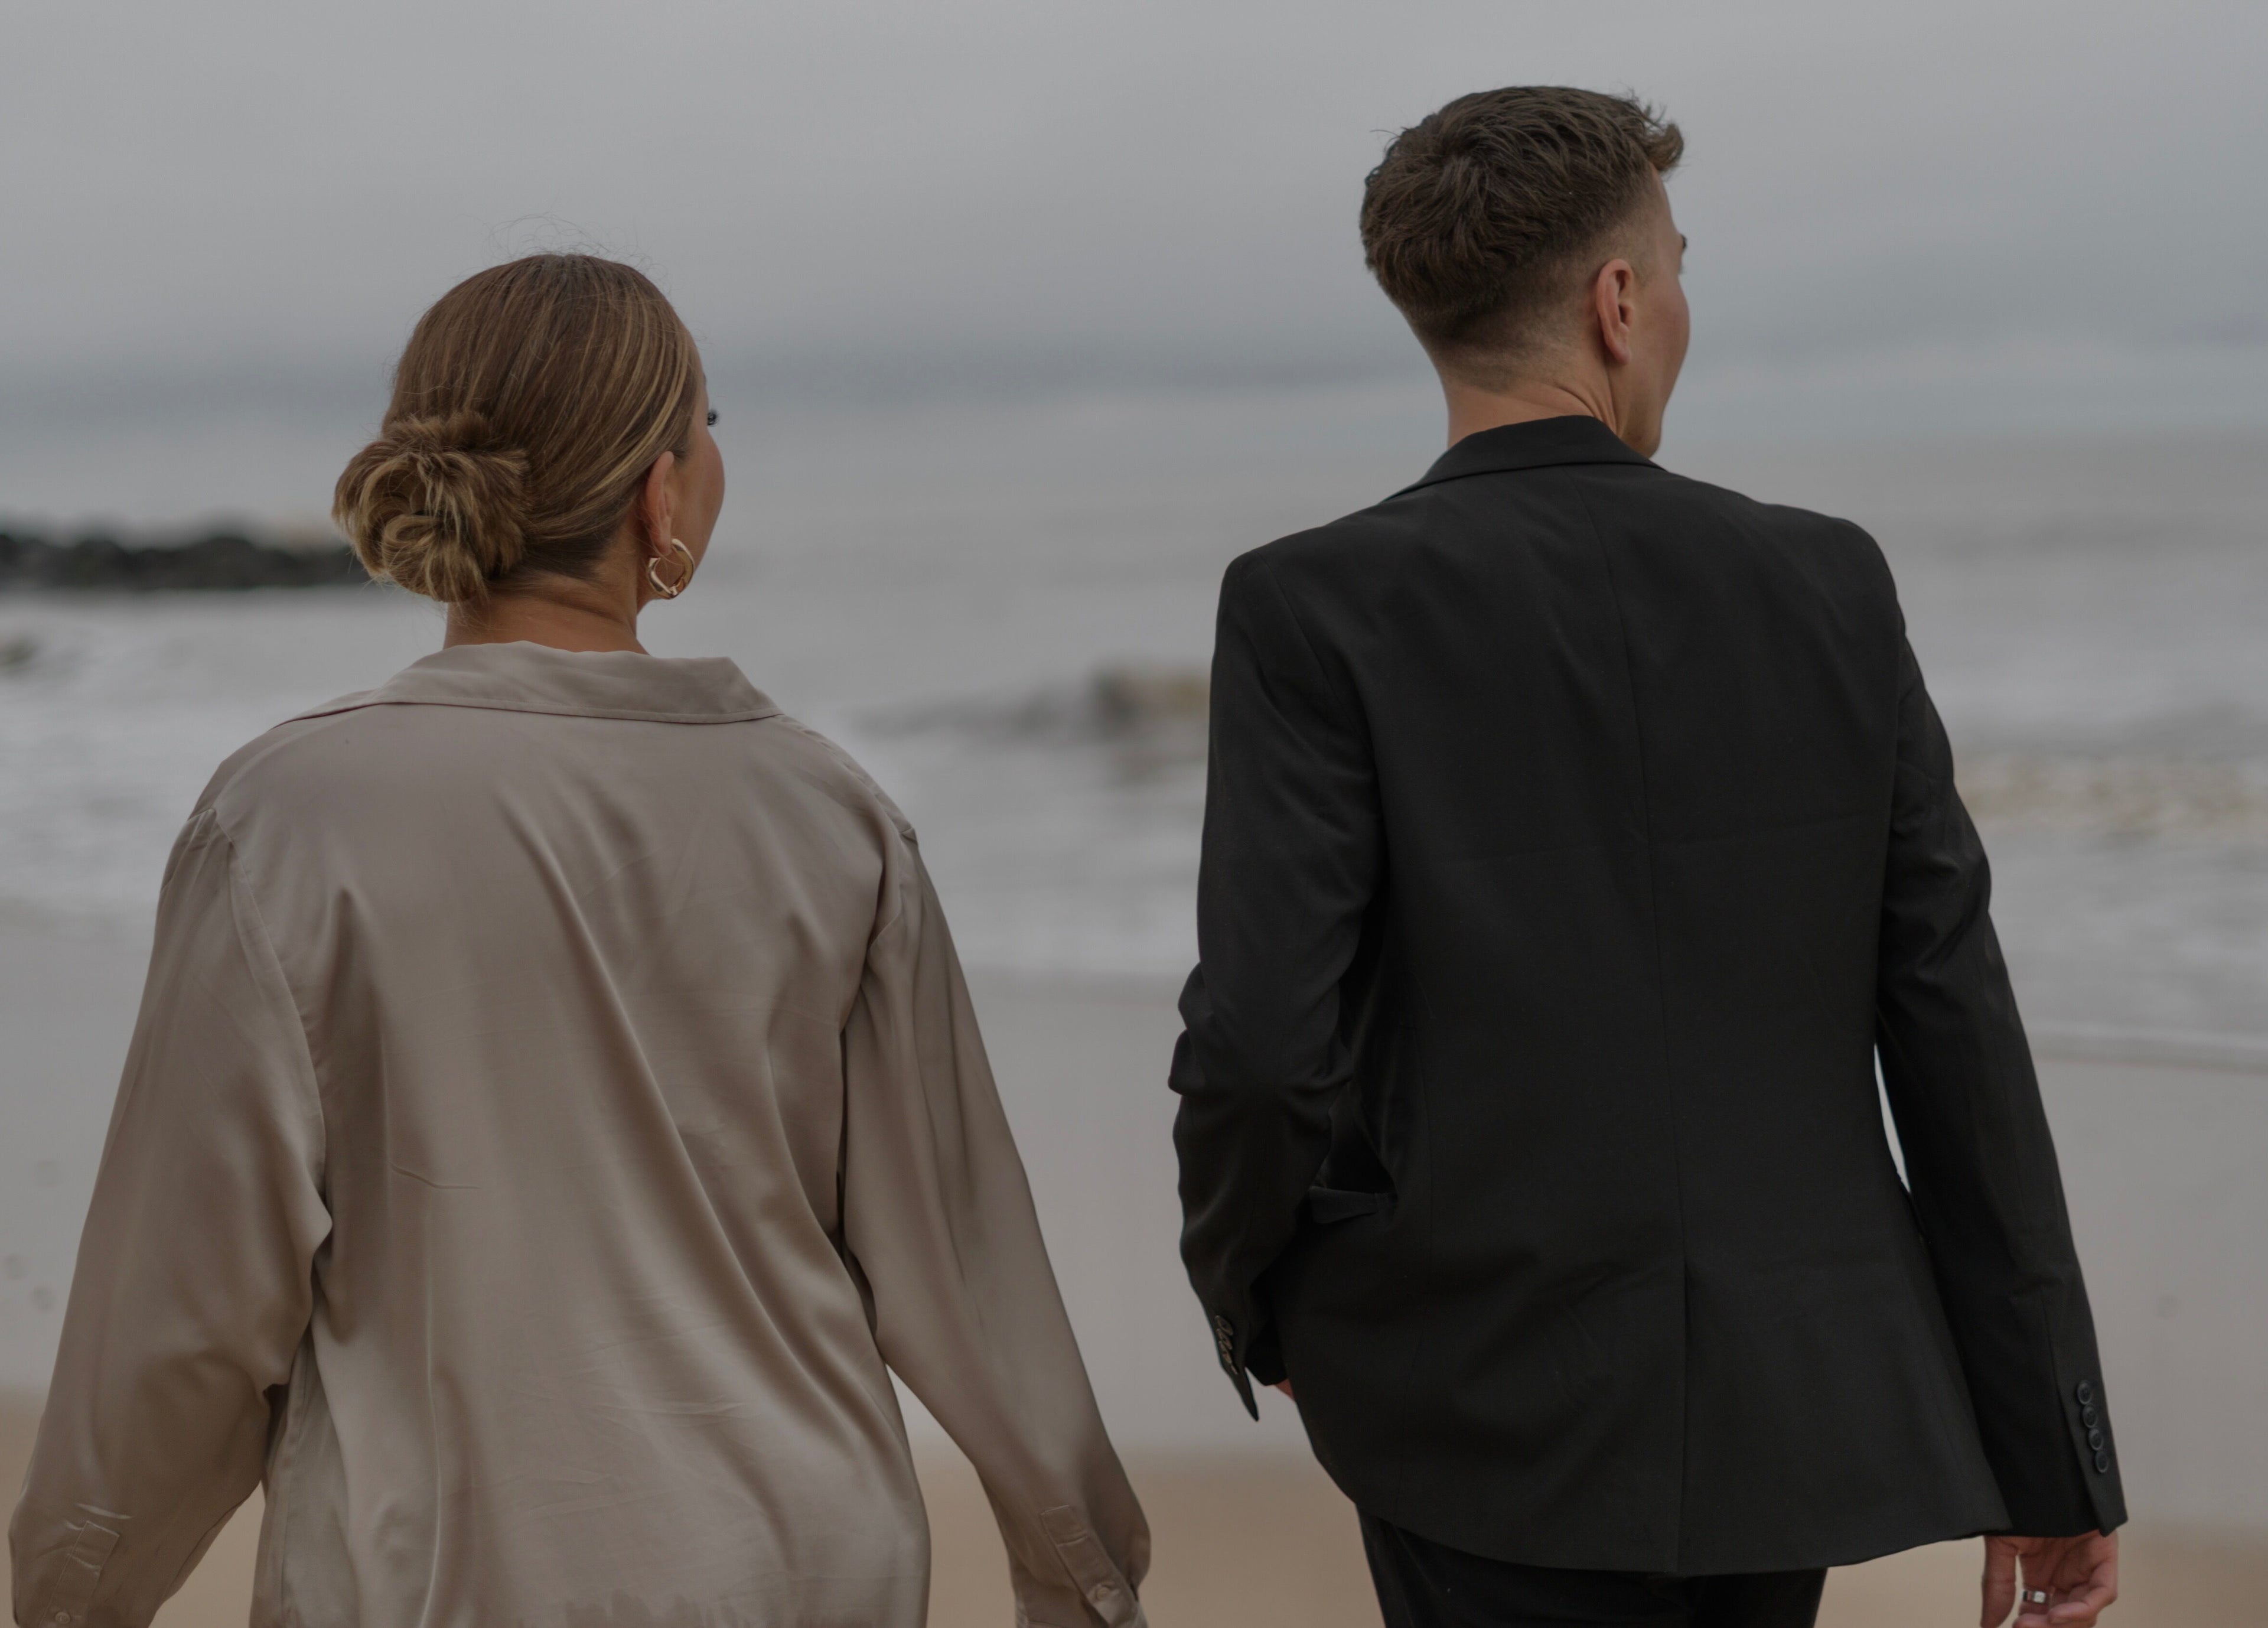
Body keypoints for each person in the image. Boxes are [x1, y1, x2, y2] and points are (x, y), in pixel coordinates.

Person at [10, 254, 1148, 1628]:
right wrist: (1084, 1579)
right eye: (708, 426)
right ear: (658, 495)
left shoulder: (285, 821)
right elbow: (967, 1272)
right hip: (799, 1573)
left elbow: (183, 1320)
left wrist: (74, 1594)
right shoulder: (834, 818)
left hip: (435, 1579)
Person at [1169, 88, 2123, 1628]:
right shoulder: (1829, 582)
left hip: (1472, 1401)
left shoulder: (1311, 607)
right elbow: (1953, 1025)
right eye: (1674, 264)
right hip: (1786, 1404)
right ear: (1619, 302)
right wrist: (2055, 1454)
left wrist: (1254, 1289)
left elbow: (1265, 1045)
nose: (1681, 303)